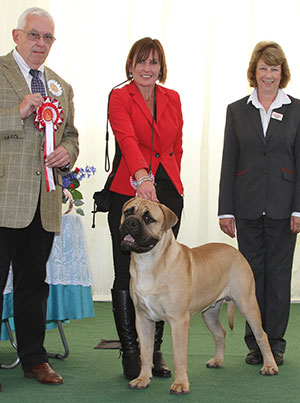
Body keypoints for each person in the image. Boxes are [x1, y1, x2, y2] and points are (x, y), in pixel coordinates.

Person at [0, 7, 79, 385]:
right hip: (4, 199)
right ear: (17, 36)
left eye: (48, 38)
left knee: (34, 284)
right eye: (34, 35)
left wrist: (68, 152)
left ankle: (35, 358)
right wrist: (16, 111)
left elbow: (72, 135)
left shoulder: (60, 85)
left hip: (43, 201)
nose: (41, 44)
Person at [105, 37, 184, 380]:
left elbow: (176, 145)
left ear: (160, 67)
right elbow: (126, 139)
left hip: (167, 195)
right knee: (127, 274)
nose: (147, 69)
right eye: (141, 61)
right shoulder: (119, 96)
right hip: (129, 190)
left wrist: (172, 185)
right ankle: (131, 350)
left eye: (153, 62)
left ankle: (155, 353)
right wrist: (142, 179)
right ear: (131, 65)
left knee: (165, 276)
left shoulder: (172, 98)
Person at [218, 41, 300, 367]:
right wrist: (225, 209)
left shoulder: (297, 109)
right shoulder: (236, 110)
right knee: (250, 278)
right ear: (254, 71)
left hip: (285, 208)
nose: (268, 75)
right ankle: (255, 344)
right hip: (247, 206)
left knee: (278, 278)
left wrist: (298, 208)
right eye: (263, 68)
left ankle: (275, 344)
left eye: (274, 68)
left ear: (283, 73)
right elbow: (229, 161)